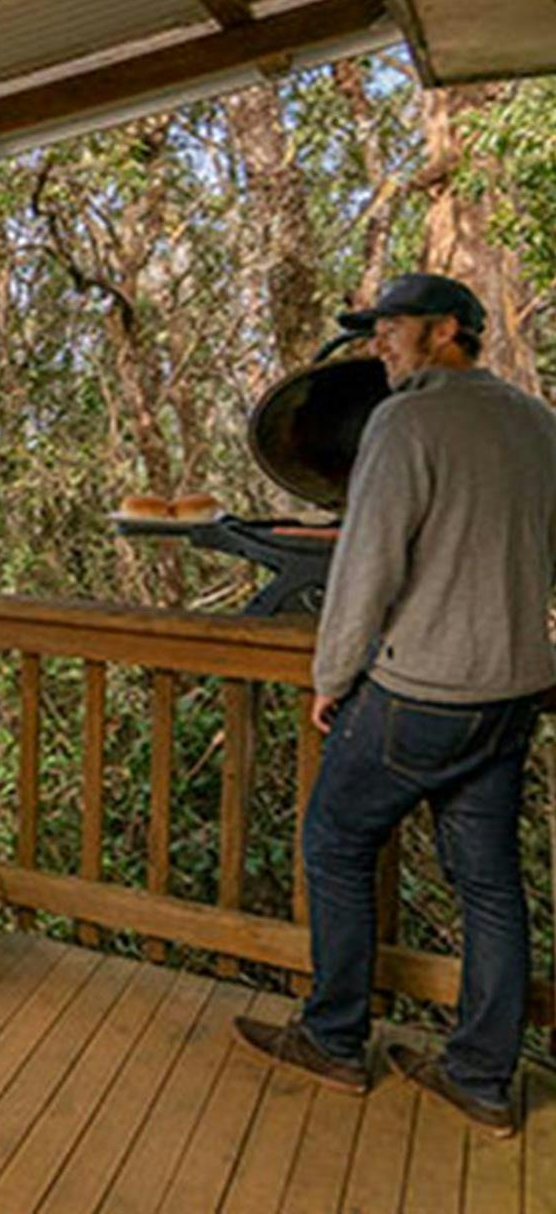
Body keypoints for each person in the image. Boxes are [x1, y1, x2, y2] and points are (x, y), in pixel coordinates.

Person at [234, 273, 556, 1136]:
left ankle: (335, 1039)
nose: (380, 341)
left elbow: (367, 564)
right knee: (488, 884)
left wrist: (332, 676)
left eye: (393, 327)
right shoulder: (536, 423)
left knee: (336, 841)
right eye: (375, 330)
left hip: (424, 691)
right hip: (514, 688)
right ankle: (482, 1076)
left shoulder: (406, 420)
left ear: (449, 330)